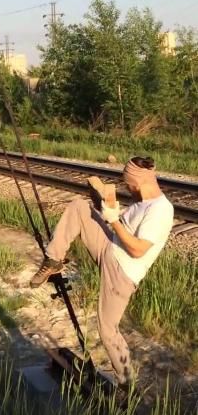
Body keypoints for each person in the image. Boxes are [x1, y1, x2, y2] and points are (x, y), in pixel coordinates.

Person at [29, 156, 174, 387]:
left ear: (138, 181)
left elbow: (137, 250)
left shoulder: (161, 210)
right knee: (79, 207)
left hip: (122, 271)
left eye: (128, 183)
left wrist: (114, 220)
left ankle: (127, 384)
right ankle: (53, 259)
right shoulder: (141, 202)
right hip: (109, 248)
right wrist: (102, 207)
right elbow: (118, 229)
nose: (127, 187)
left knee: (107, 329)